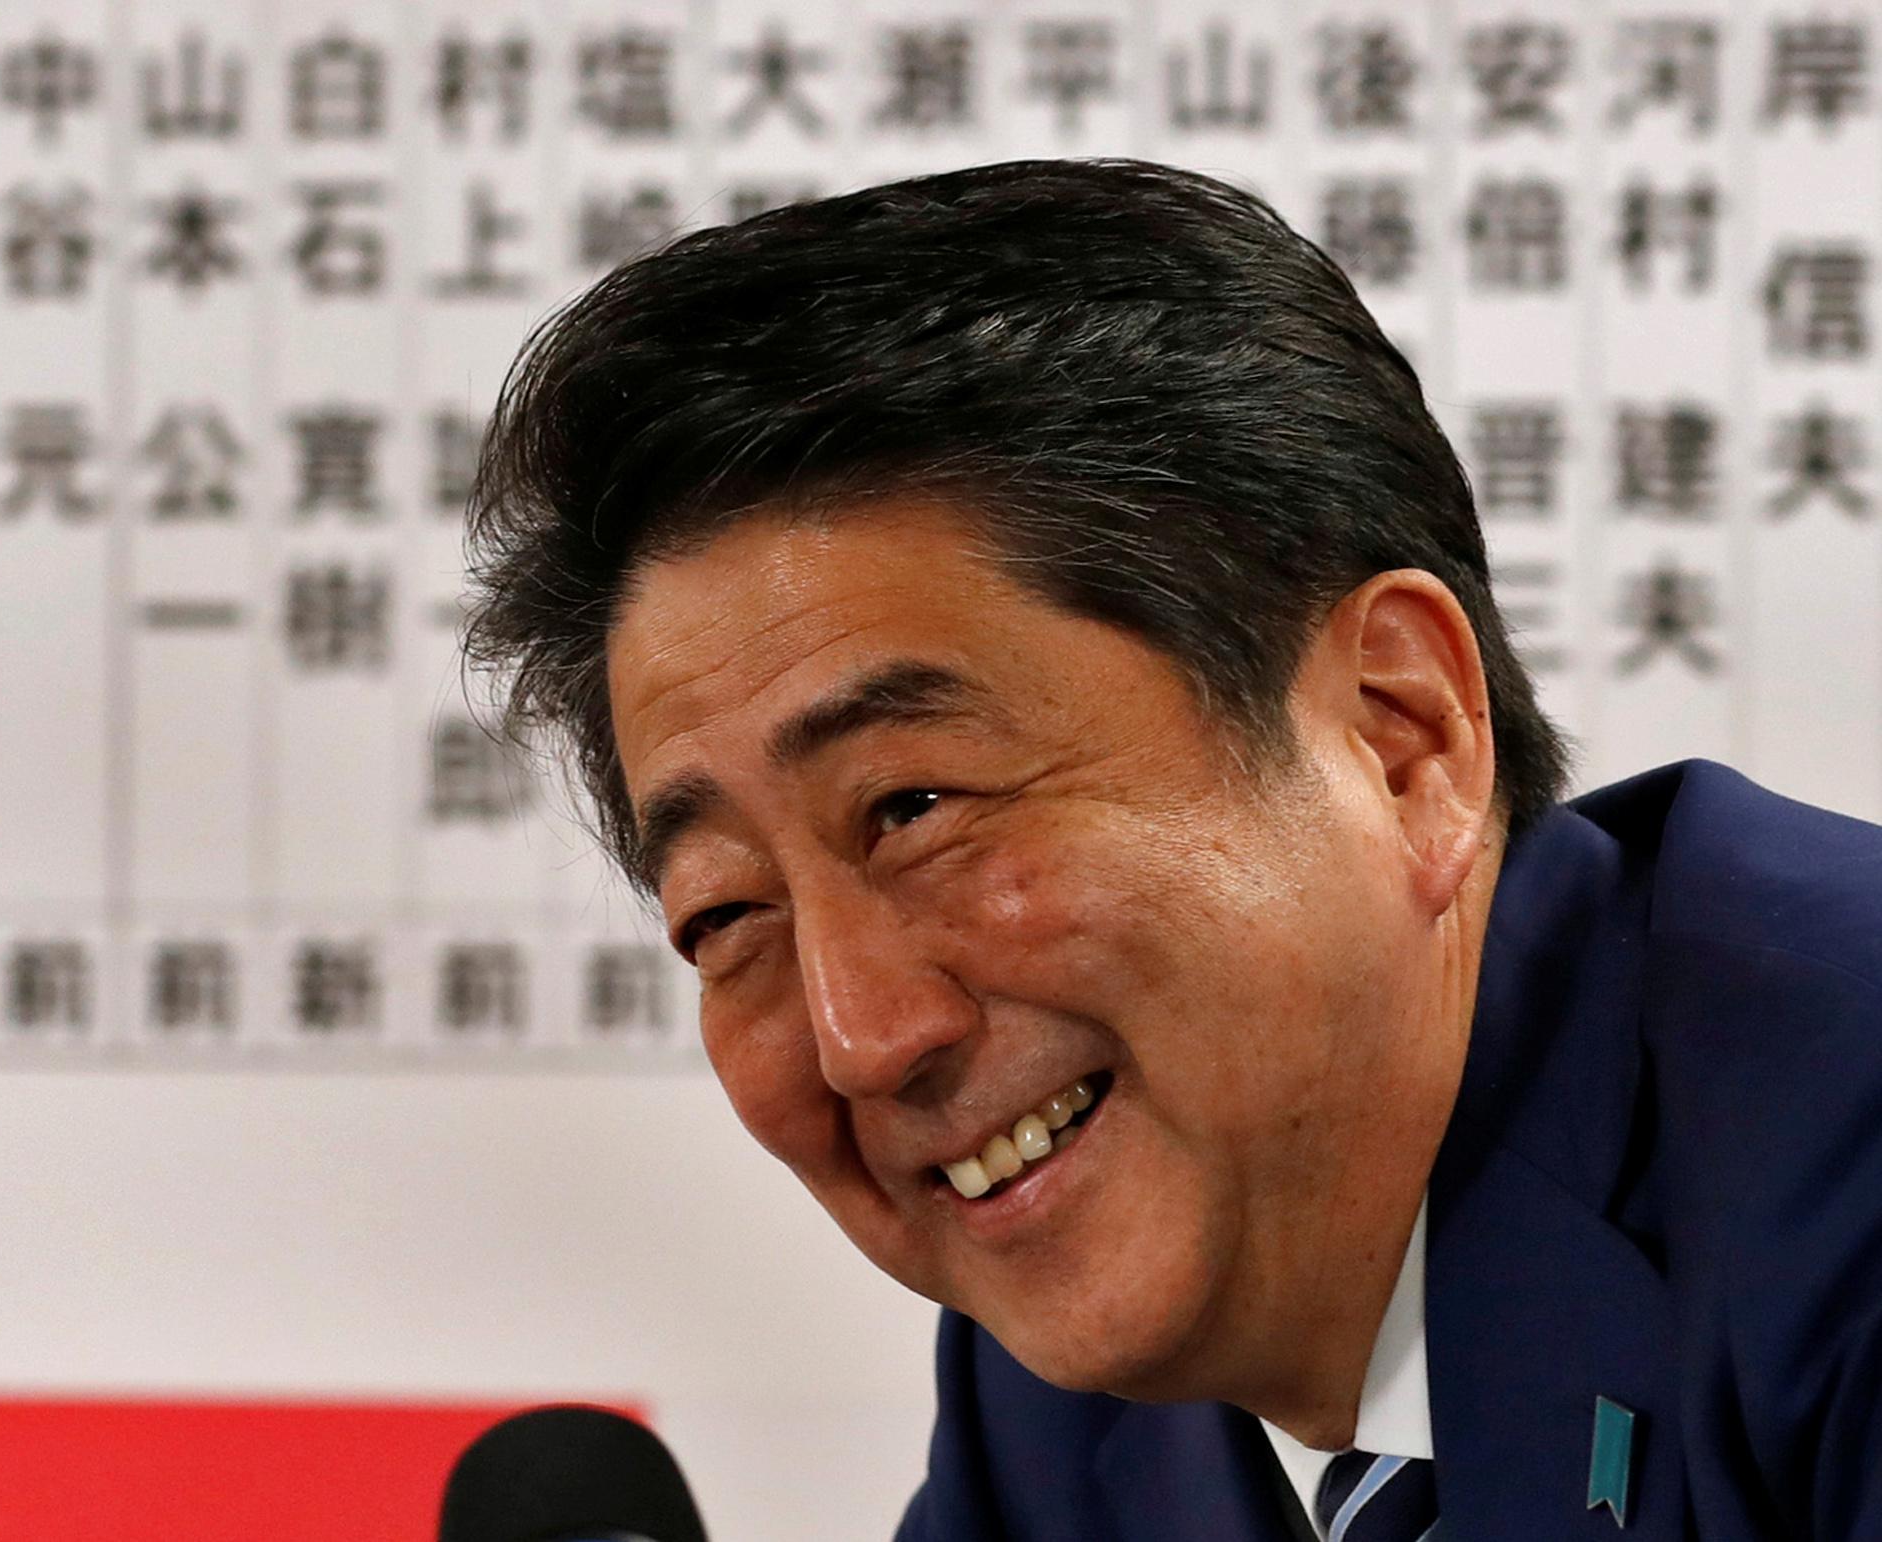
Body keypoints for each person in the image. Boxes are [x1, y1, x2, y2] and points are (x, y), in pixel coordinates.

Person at [460, 159, 1882, 1540]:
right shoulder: (1075, 1374)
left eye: (914, 810)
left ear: (1399, 738)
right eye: (725, 917)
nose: (862, 1035)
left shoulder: (1838, 1156)